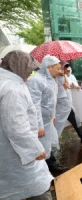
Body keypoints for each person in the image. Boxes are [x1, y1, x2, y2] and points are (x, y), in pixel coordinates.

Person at [0, 51, 53, 200]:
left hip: (7, 152)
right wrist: (35, 150)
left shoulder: (5, 83)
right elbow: (16, 128)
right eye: (28, 71)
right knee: (38, 188)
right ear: (19, 67)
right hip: (19, 155)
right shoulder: (13, 89)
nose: (29, 75)